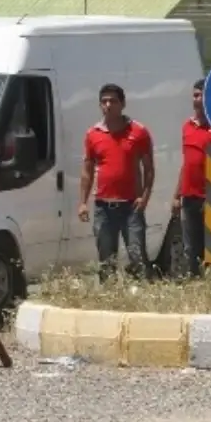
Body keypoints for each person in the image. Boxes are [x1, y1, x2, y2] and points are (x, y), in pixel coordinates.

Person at [78, 83, 155, 282]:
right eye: (104, 101)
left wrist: (144, 198)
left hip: (131, 207)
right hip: (104, 207)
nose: (108, 105)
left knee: (137, 256)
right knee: (106, 260)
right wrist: (83, 202)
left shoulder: (138, 132)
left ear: (123, 104)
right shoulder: (93, 134)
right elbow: (87, 171)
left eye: (113, 101)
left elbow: (149, 169)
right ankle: (109, 300)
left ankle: (140, 296)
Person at [173, 79, 211, 278]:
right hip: (189, 196)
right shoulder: (187, 127)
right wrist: (176, 195)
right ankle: (194, 281)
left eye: (201, 95)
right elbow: (186, 163)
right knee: (190, 247)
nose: (197, 100)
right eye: (195, 95)